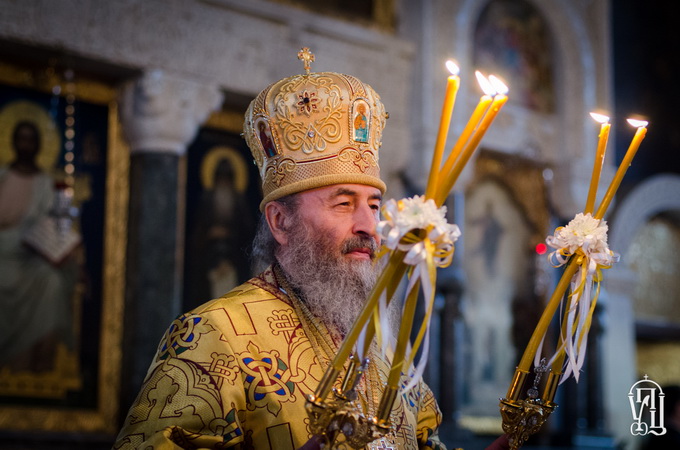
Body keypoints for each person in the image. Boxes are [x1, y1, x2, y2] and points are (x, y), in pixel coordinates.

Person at [114, 50, 508, 450]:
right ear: (281, 221)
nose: (368, 226)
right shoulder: (213, 334)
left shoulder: (385, 344)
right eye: (344, 203)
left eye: (374, 206)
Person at [0, 120, 77, 372]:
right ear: (13, 142)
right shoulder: (2, 177)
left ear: (38, 145)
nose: (25, 144)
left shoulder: (46, 184)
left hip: (33, 255)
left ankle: (39, 366)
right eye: (21, 138)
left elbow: (54, 225)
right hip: (2, 253)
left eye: (30, 139)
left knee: (52, 281)